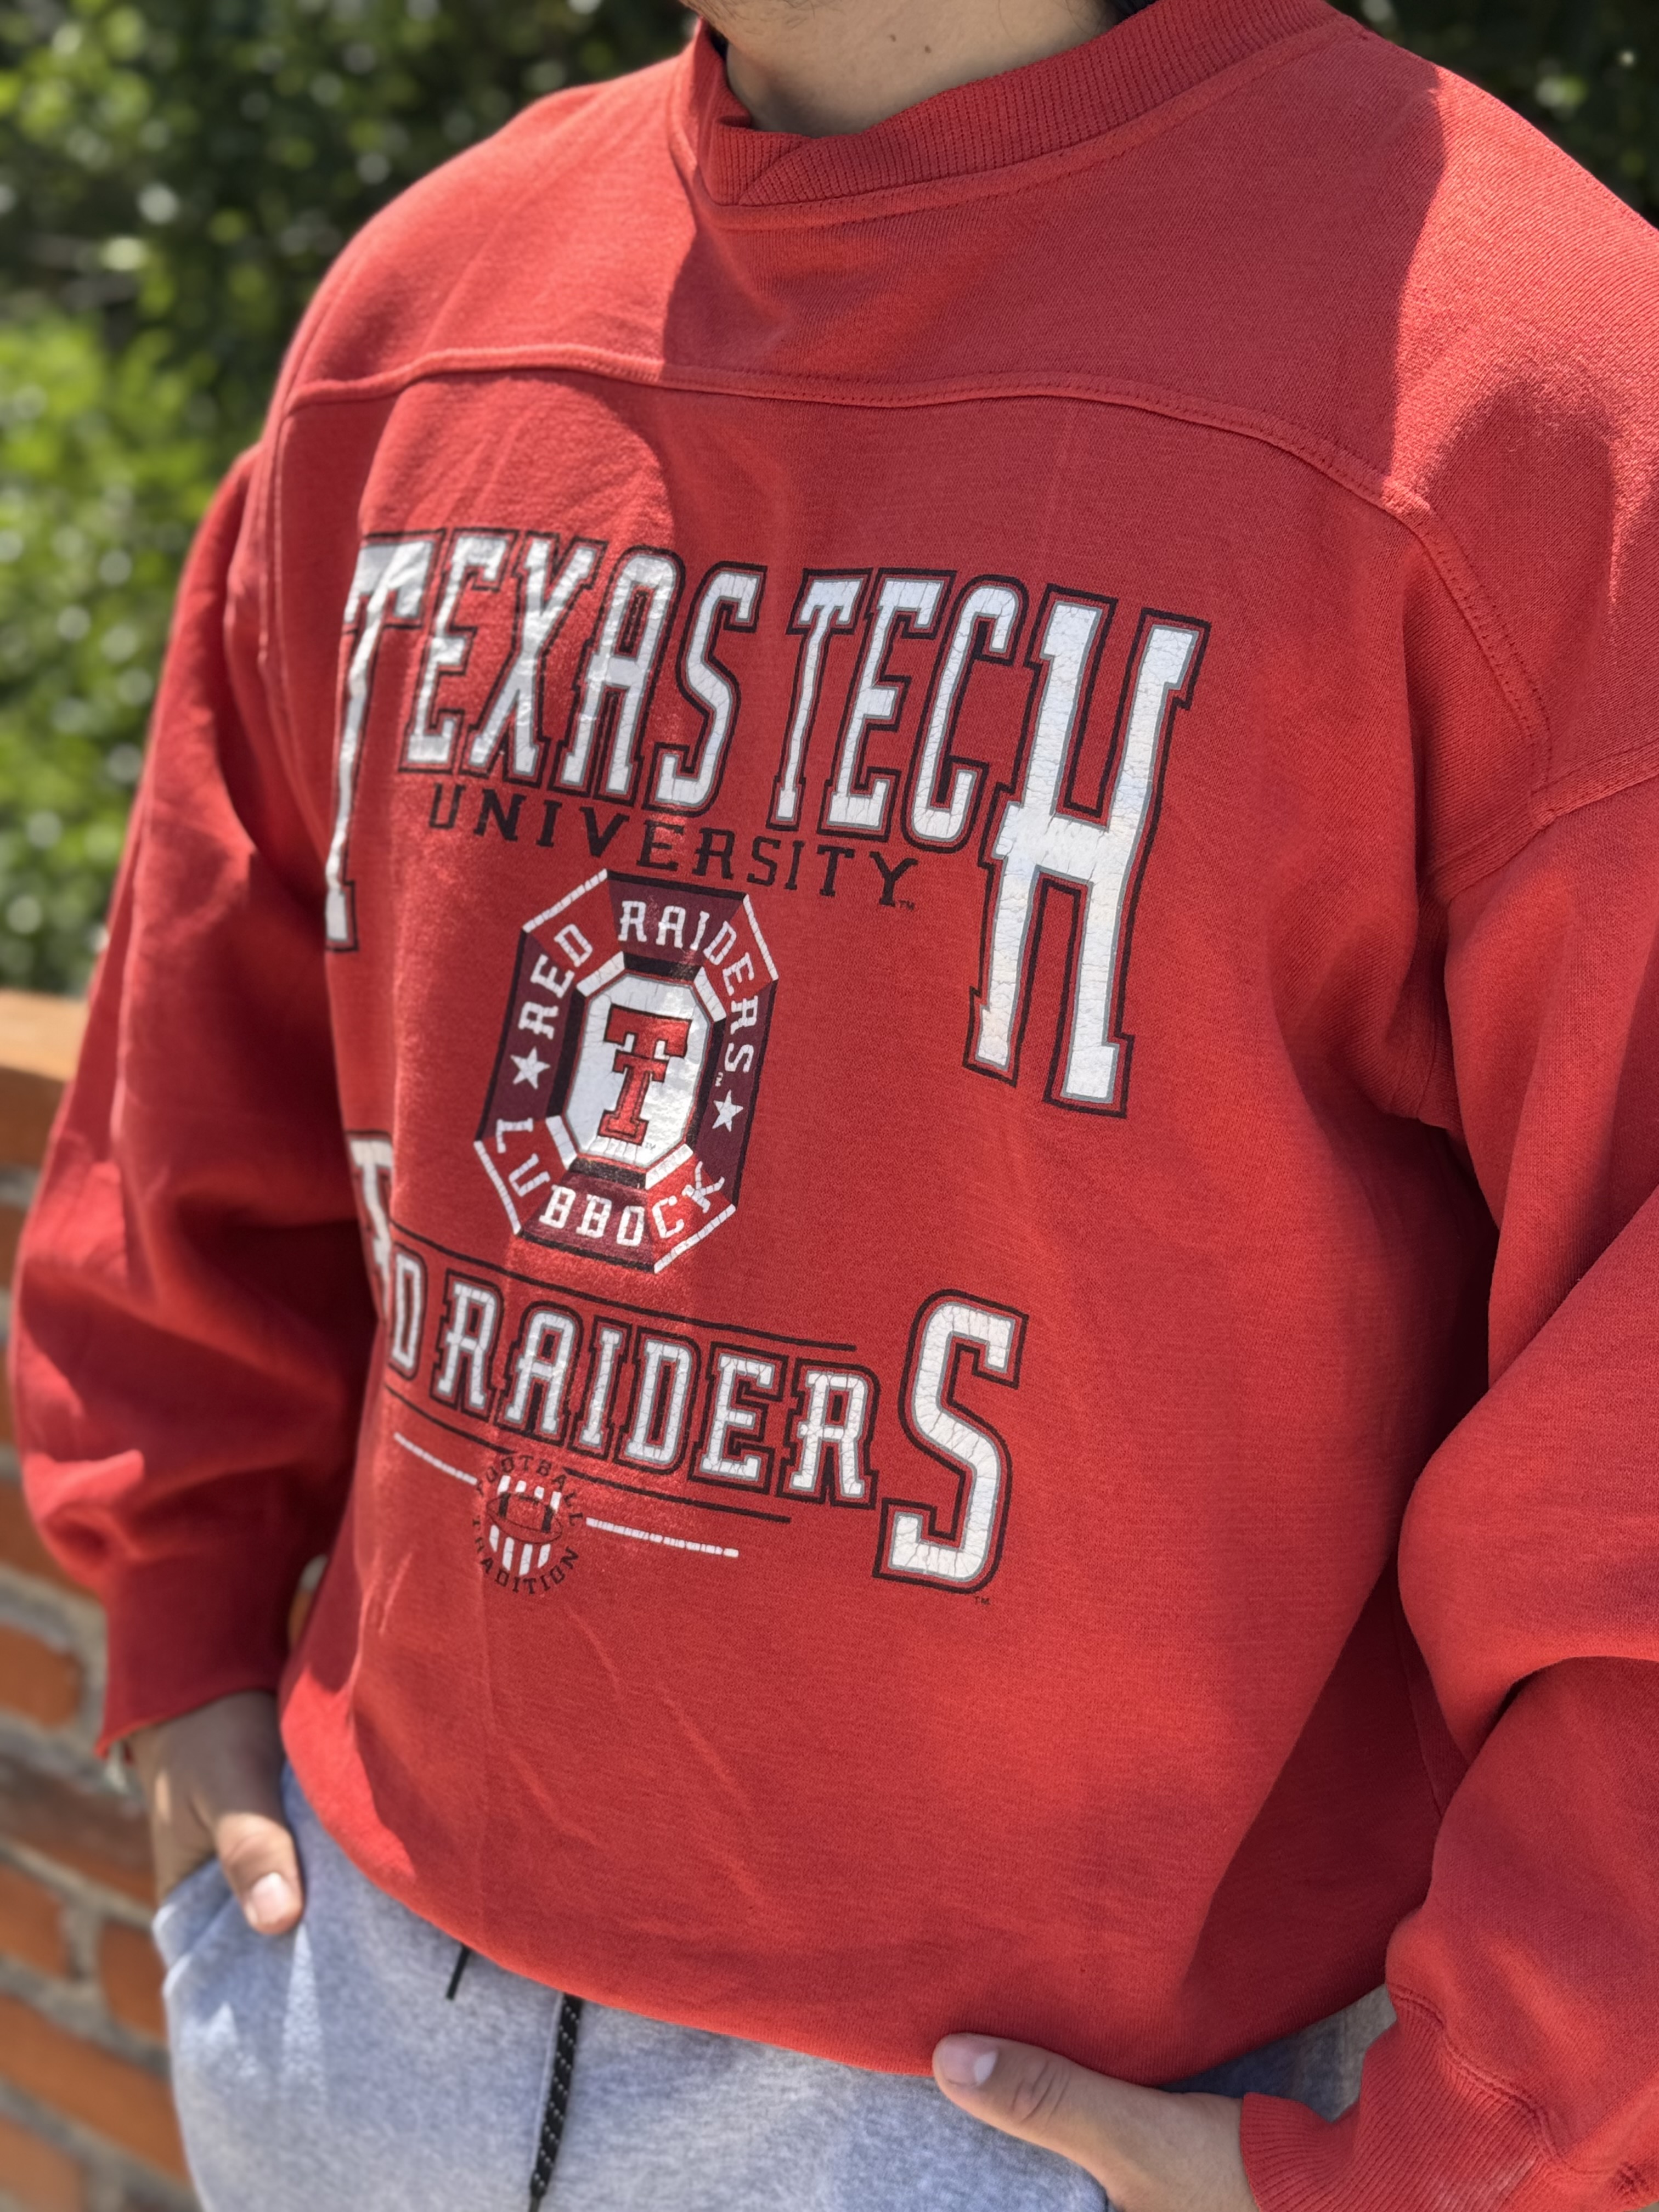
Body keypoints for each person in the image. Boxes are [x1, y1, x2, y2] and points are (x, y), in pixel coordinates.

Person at [15, 0, 1659, 2203]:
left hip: (1050, 2121)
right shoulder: (430, 306)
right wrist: (177, 1623)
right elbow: (199, 1076)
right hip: (349, 2011)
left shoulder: (1544, 385)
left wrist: (1475, 2150)